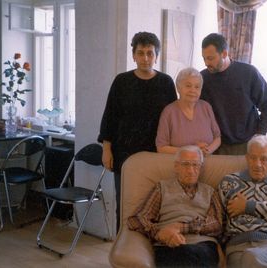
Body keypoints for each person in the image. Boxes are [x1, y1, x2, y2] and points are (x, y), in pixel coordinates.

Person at [98, 32, 177, 231]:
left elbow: (172, 119)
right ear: (133, 55)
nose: (145, 58)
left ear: (156, 56)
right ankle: (122, 247)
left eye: (150, 53)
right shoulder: (121, 81)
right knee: (125, 203)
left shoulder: (166, 82)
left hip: (155, 153)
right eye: (140, 53)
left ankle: (150, 250)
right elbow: (110, 116)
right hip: (123, 151)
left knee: (154, 204)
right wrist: (106, 150)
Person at [127, 145, 223, 267]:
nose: (191, 170)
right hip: (168, 244)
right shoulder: (162, 188)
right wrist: (159, 233)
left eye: (195, 165)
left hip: (202, 244)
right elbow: (136, 219)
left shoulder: (210, 192)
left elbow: (217, 225)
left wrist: (183, 228)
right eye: (185, 164)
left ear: (201, 168)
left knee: (194, 255)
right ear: (176, 167)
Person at [218, 135, 267, 267]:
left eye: (263, 159)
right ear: (247, 158)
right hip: (236, 245)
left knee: (251, 257)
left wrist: (249, 206)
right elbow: (218, 219)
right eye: (253, 158)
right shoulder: (229, 182)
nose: (257, 164)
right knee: (249, 258)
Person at [200, 33, 267, 155]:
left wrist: (260, 134)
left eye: (210, 58)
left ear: (224, 54)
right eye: (204, 58)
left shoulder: (248, 73)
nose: (206, 63)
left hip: (246, 144)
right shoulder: (202, 78)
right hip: (216, 146)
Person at [156, 67, 221, 155]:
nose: (193, 90)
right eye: (188, 86)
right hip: (181, 165)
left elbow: (217, 137)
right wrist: (193, 150)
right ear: (178, 88)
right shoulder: (169, 112)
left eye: (197, 87)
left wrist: (208, 150)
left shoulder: (206, 107)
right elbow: (161, 147)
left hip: (207, 161)